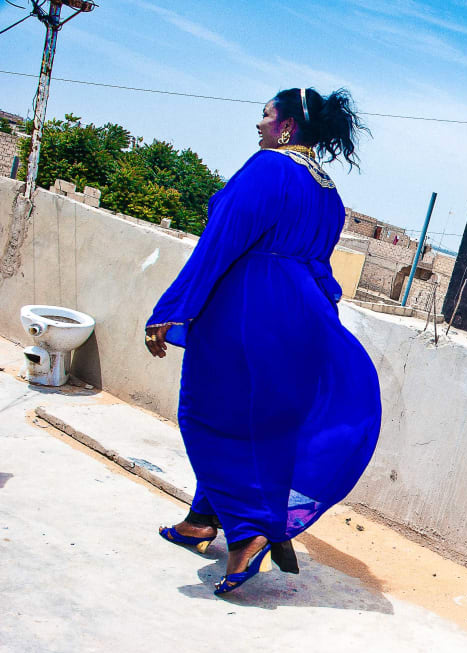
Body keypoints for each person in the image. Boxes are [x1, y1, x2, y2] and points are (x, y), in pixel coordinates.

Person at [145, 87, 382, 596]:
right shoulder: (329, 194)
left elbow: (220, 242)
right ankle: (201, 520)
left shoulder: (269, 169)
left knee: (206, 415)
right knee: (257, 424)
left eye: (267, 115)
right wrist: (318, 323)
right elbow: (319, 266)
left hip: (249, 310)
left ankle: (249, 531)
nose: (259, 124)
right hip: (301, 317)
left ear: (288, 126)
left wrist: (172, 307)